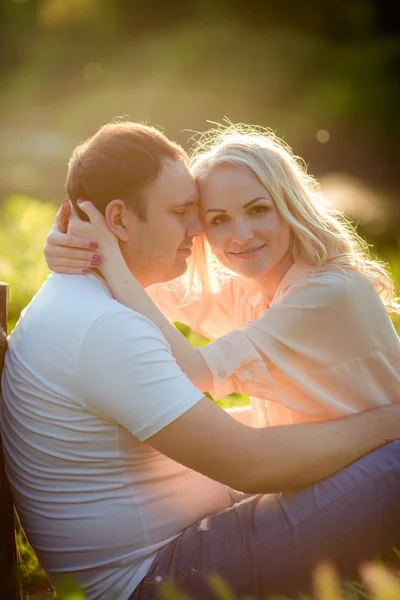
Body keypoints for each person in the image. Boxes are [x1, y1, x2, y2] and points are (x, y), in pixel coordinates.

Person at [1, 122, 399, 600]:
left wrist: (90, 252)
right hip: (153, 576)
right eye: (186, 213)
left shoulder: (86, 301)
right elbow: (250, 463)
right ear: (121, 220)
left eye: (196, 213)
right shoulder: (104, 325)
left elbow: (175, 313)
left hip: (168, 549)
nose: (197, 230)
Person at [46, 123, 400, 429]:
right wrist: (69, 243)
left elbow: (196, 373)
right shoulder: (246, 292)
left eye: (258, 210)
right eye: (219, 219)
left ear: (290, 205)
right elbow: (143, 284)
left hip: (381, 470)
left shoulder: (328, 291)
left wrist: (107, 258)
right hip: (339, 471)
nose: (241, 234)